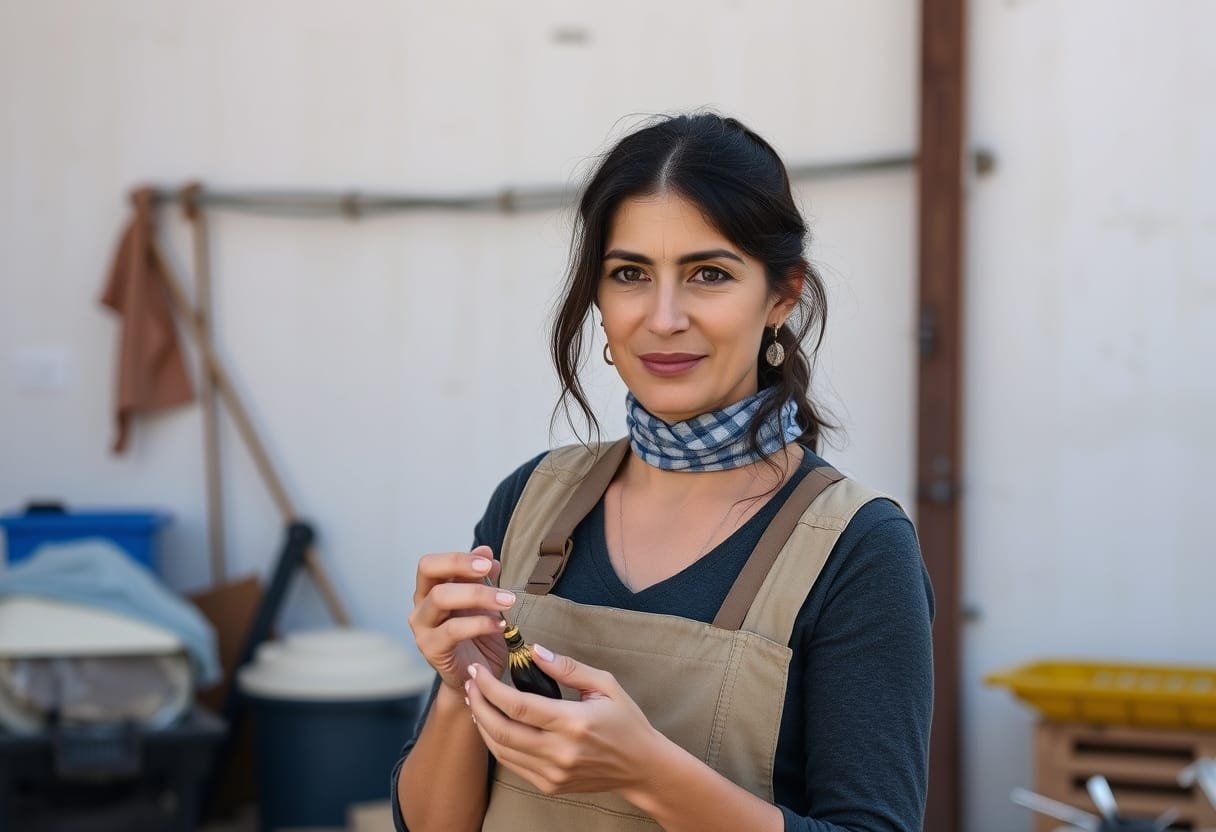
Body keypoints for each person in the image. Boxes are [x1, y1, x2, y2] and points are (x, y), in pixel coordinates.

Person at [391, 112, 934, 832]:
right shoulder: (529, 502)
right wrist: (467, 683)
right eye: (630, 274)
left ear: (781, 296)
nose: (664, 316)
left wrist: (648, 773)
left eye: (709, 273)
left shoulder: (857, 549)